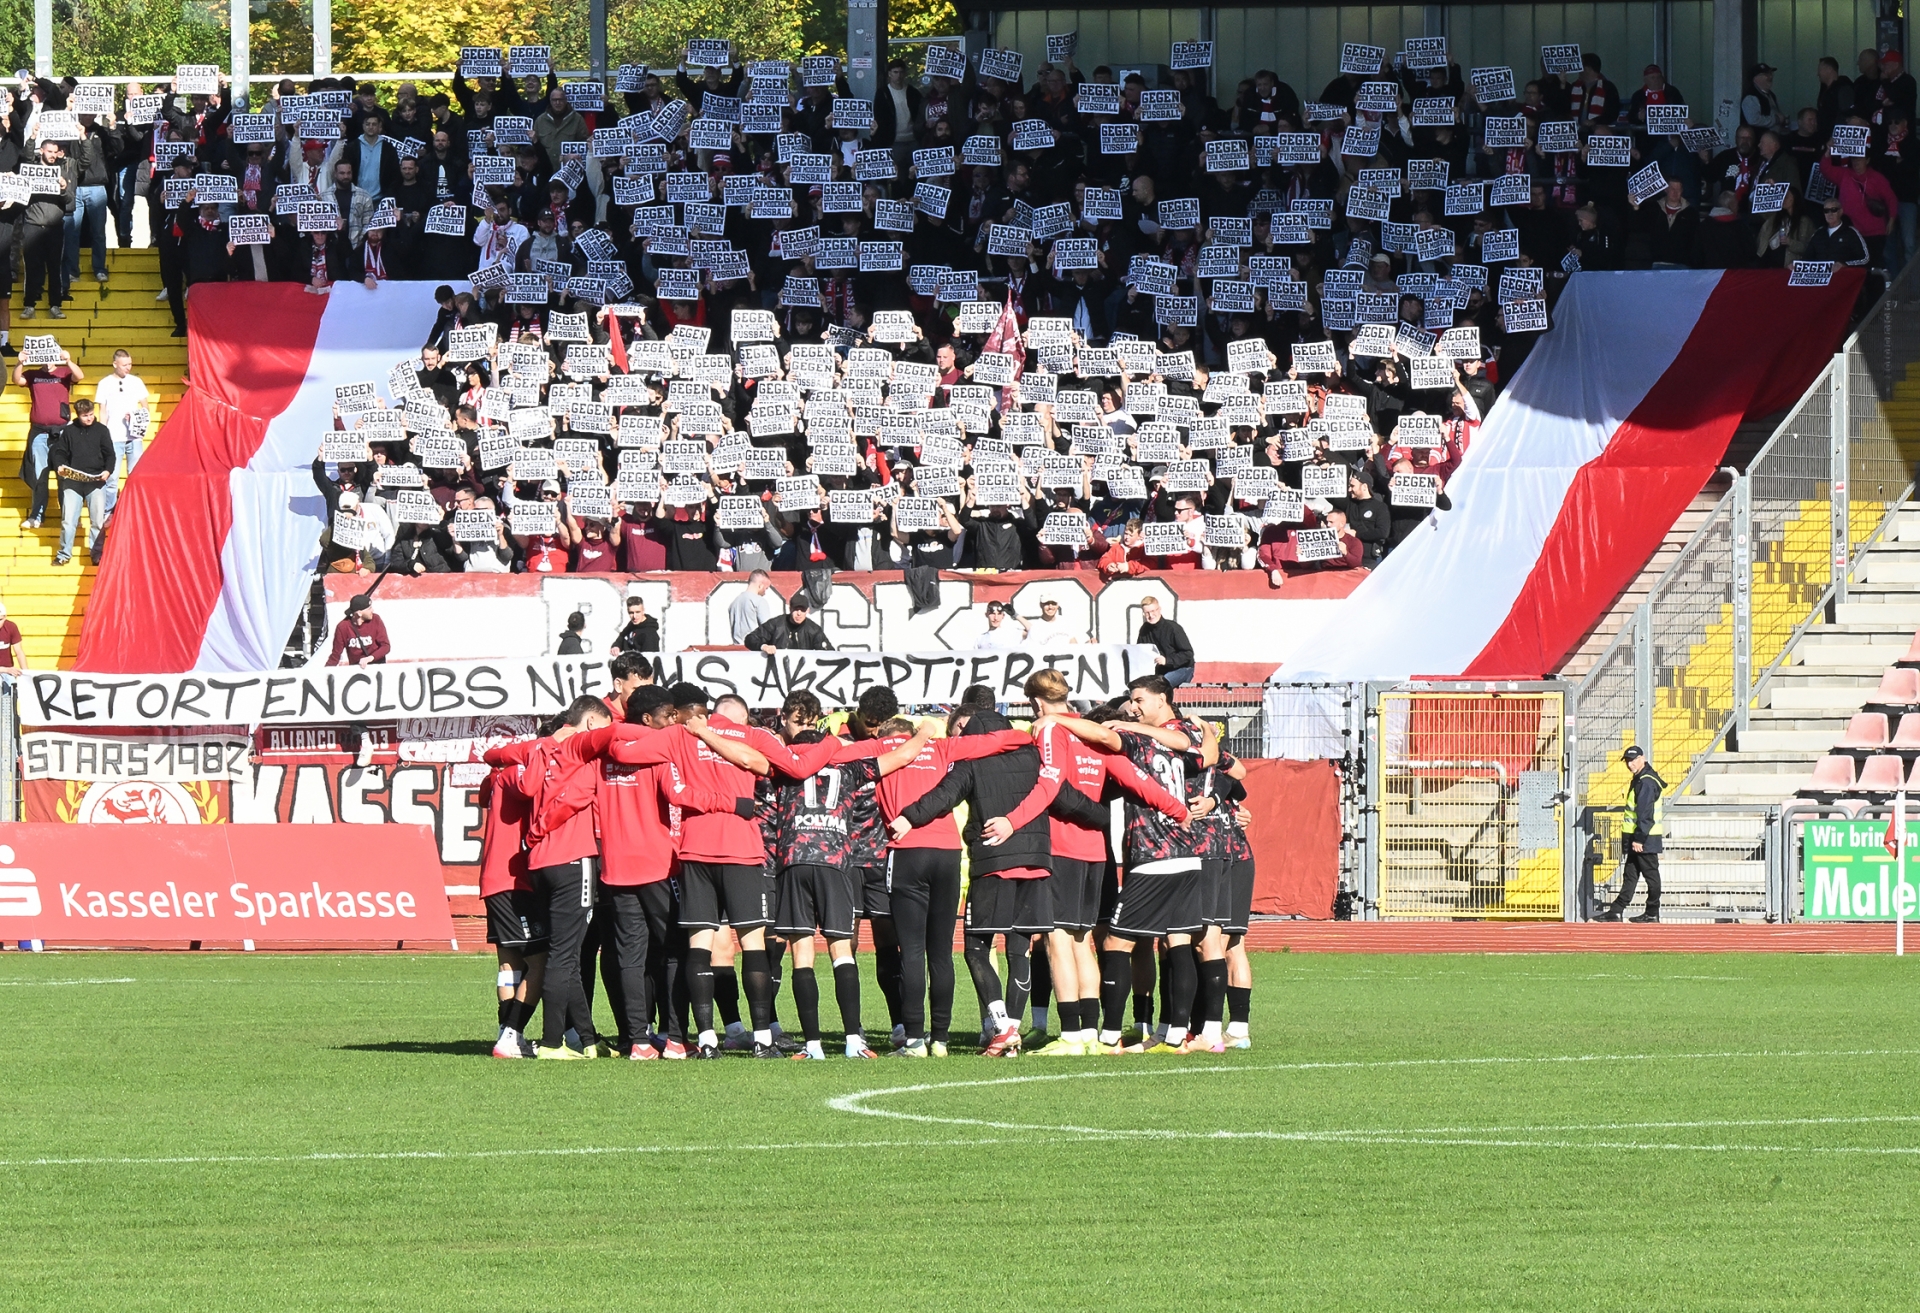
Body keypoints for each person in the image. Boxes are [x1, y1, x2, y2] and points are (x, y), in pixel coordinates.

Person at [993, 670, 1190, 1055]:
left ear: (1036, 703)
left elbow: (1049, 784)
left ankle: (1069, 1034)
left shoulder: (1052, 729)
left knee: (1057, 940)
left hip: (1061, 848)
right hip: (1096, 854)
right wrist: (1177, 809)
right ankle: (1087, 1033)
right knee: (1083, 941)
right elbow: (1135, 778)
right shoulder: (1092, 733)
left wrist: (1011, 821)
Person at [892, 709, 1066, 1057]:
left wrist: (909, 816)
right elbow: (1062, 795)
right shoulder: (1035, 756)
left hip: (993, 863)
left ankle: (1002, 1027)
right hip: (1036, 863)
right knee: (1019, 950)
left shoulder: (973, 761)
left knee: (976, 948)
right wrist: (1099, 816)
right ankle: (1010, 1034)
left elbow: (944, 795)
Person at [14, 346, 83, 530]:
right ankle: (37, 515)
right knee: (39, 476)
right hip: (39, 433)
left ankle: (69, 516)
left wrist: (68, 360)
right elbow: (17, 380)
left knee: (64, 476)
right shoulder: (33, 374)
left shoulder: (63, 372)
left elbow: (79, 376)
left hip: (62, 433)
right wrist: (20, 362)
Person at [1596, 746, 1666, 922]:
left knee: (1651, 876)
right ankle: (1617, 910)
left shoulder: (1646, 782)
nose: (1630, 764)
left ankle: (1652, 912)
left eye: (1633, 760)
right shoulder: (1641, 778)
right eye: (1627, 760)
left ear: (1643, 758)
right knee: (1630, 875)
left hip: (1644, 839)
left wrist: (1639, 839)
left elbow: (1645, 814)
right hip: (1638, 837)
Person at [47, 396, 112, 566]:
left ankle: (96, 554)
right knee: (68, 519)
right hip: (73, 481)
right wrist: (60, 465)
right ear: (78, 415)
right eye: (85, 416)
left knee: (97, 521)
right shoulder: (69, 431)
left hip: (96, 481)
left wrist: (107, 470)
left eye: (91, 414)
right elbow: (60, 452)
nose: (89, 418)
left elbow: (110, 454)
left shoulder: (102, 430)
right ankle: (63, 554)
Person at [92, 349, 149, 511]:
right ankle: (108, 510)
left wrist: (136, 417)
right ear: (115, 364)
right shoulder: (105, 383)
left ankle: (133, 508)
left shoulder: (136, 381)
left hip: (134, 436)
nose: (128, 367)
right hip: (113, 436)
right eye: (124, 365)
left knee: (136, 475)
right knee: (112, 477)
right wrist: (102, 435)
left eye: (130, 364)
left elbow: (145, 408)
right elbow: (102, 411)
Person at [1135, 595, 1195, 688]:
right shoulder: (1144, 630)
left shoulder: (1173, 628)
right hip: (1160, 671)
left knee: (1160, 684)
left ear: (1159, 609)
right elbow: (1140, 652)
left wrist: (1167, 661)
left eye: (1153, 611)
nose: (1151, 615)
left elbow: (1188, 653)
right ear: (1143, 614)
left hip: (1183, 668)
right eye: (1147, 613)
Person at [745, 597, 831, 653]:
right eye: (796, 609)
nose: (799, 613)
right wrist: (764, 647)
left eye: (802, 610)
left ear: (808, 611)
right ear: (790, 609)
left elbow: (829, 653)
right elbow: (750, 639)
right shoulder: (775, 624)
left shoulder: (814, 630)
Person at [326, 593, 391, 665]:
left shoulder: (376, 620)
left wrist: (370, 658)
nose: (372, 610)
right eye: (369, 608)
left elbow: (385, 646)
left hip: (376, 666)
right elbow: (335, 655)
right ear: (359, 613)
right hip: (357, 669)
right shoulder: (343, 627)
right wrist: (325, 670)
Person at [728, 570, 782, 642]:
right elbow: (768, 629)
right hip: (753, 646)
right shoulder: (760, 601)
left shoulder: (734, 603)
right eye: (766, 588)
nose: (765, 593)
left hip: (737, 647)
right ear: (760, 585)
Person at [0, 601, 24, 676]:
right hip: (7, 670)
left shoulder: (11, 627)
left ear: (5, 617)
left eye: (0, 619)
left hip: (8, 671)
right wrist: (6, 670)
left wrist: (27, 673)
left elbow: (19, 652)